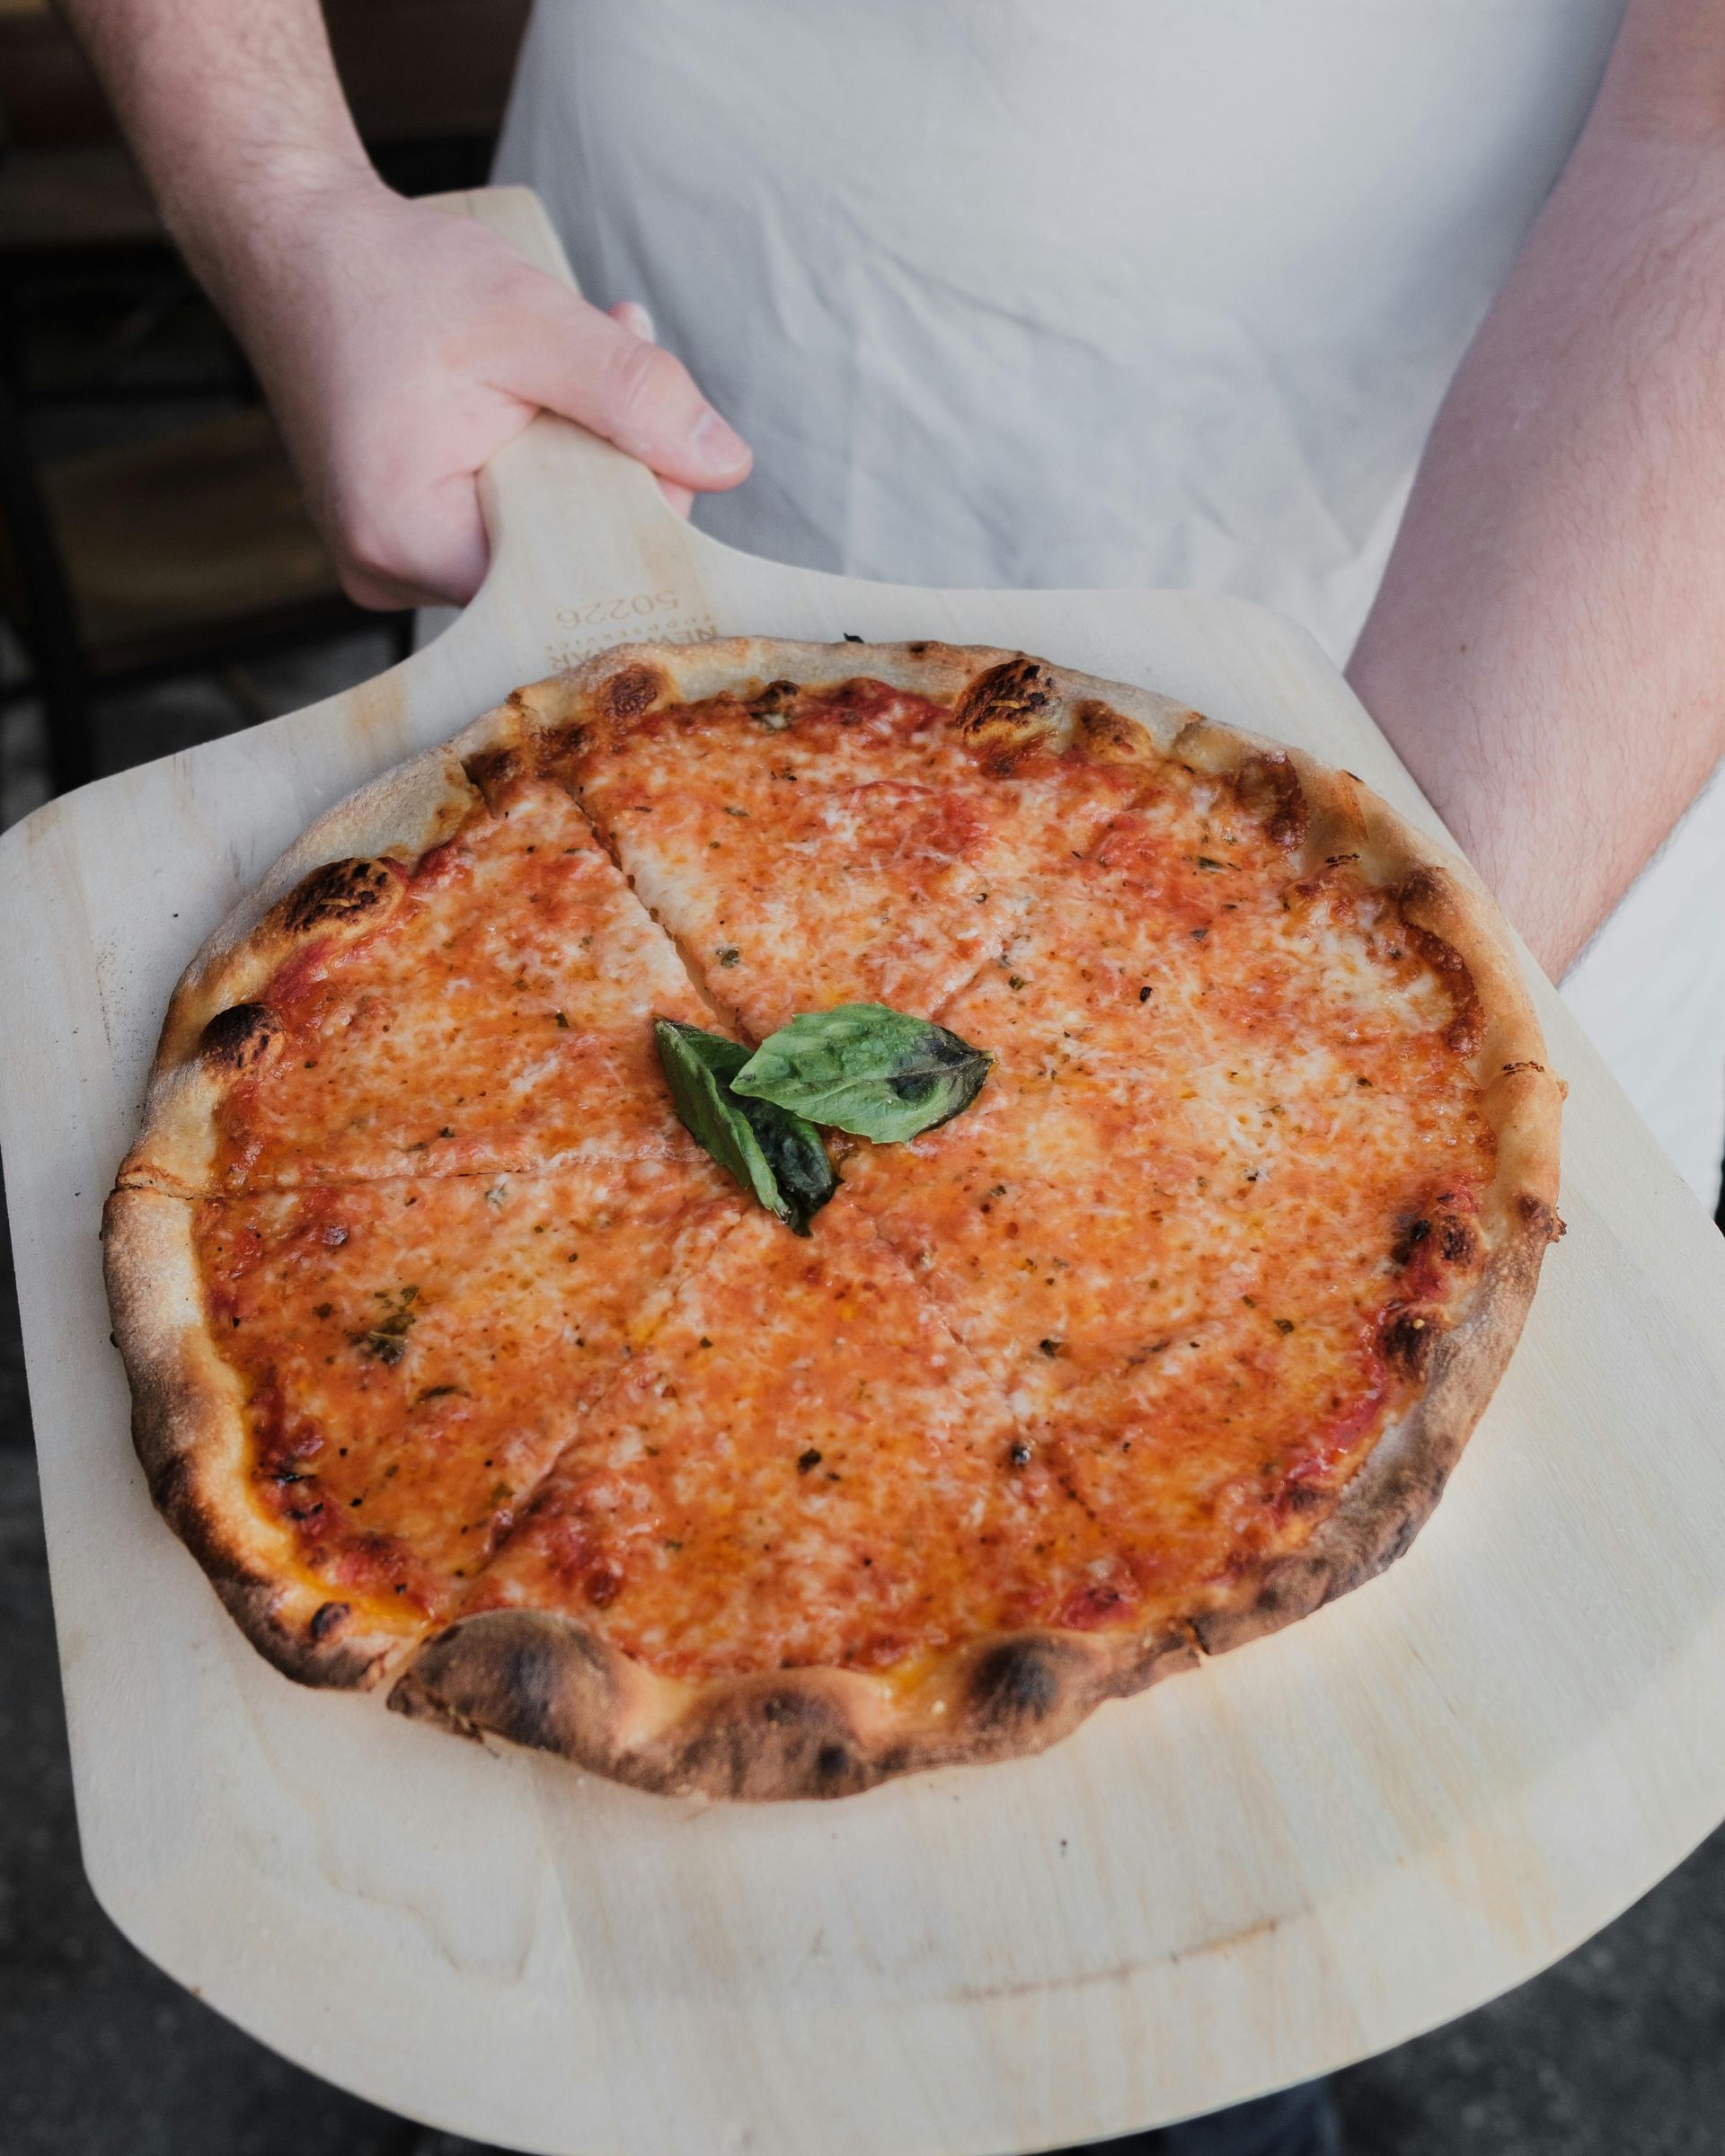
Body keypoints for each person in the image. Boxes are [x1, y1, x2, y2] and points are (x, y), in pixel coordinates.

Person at [58, 1, 1725, 2148]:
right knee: (541, 2022)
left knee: (1161, 2021)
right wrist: (290, 197)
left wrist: (1325, 1049)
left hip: (1448, 646)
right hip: (621, 386)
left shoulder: (1372, 1061)